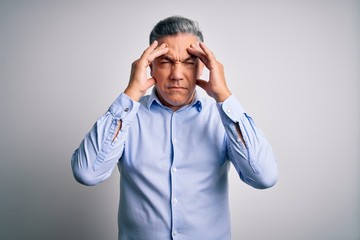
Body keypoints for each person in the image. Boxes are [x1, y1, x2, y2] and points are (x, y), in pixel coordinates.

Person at [71, 16, 278, 240]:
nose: (177, 75)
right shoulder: (127, 117)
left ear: (203, 67)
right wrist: (131, 93)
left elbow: (264, 177)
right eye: (166, 61)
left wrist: (224, 96)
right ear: (149, 66)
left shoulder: (222, 117)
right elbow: (88, 173)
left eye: (189, 62)